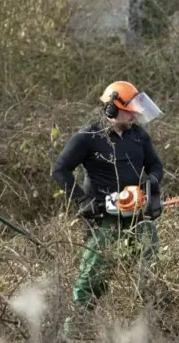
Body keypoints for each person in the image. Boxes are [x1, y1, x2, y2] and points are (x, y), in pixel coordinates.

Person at [52, 80, 164, 337]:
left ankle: (153, 323)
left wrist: (151, 183)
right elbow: (60, 170)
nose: (135, 113)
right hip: (104, 217)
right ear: (112, 109)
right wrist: (82, 200)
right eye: (129, 109)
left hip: (137, 215)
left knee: (150, 268)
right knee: (93, 276)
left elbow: (156, 166)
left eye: (137, 108)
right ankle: (75, 329)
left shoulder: (139, 136)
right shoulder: (89, 137)